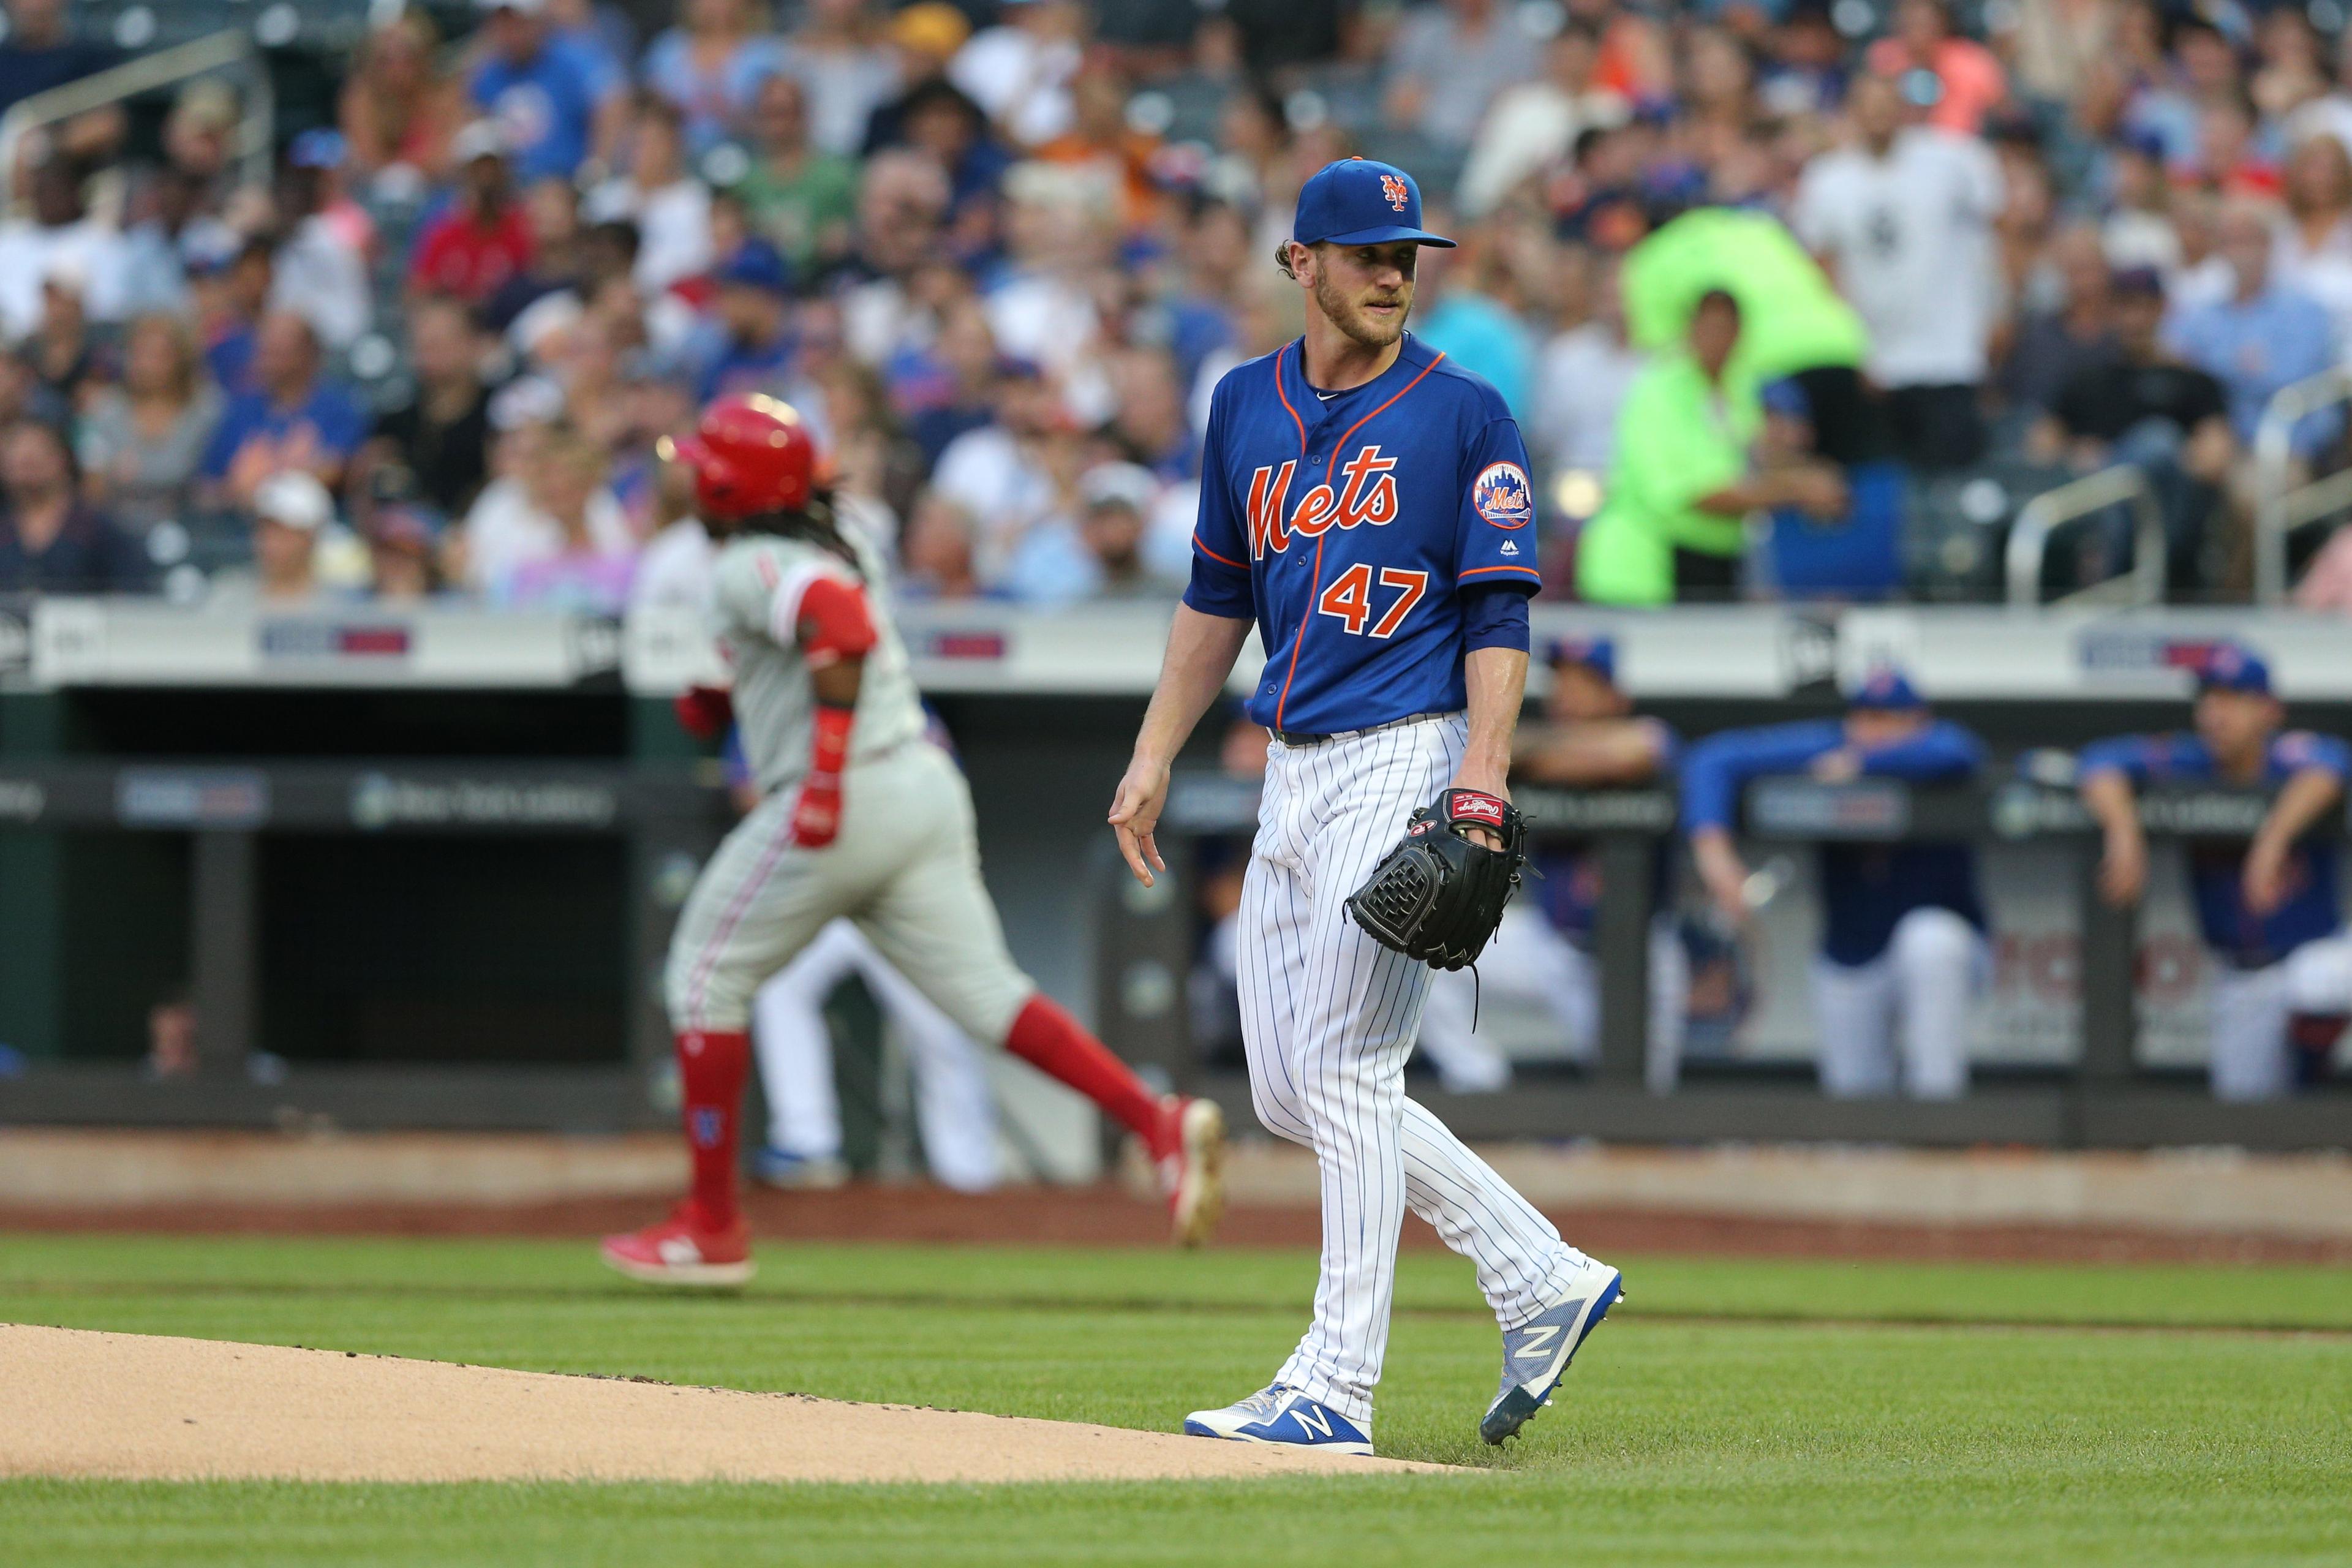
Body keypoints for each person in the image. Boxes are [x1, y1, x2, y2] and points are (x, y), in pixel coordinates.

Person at [1109, 159, 1622, 1459]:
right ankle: (1537, 1272)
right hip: (1292, 759)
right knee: (1293, 1088)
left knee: (1346, 1071)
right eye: (1369, 252)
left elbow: (1501, 610)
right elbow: (1216, 593)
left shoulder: (1463, 412)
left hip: (1412, 745)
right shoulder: (1243, 404)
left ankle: (1336, 1381)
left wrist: (1487, 769)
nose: (1395, 272)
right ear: (1303, 264)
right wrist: (1156, 747)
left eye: (1409, 253)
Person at [599, 392, 1226, 1286]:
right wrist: (720, 701)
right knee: (986, 996)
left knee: (703, 977)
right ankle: (1154, 1120)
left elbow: (841, 630)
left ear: (734, 487)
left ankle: (710, 1224)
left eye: (705, 468)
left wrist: (817, 780)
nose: (692, 478)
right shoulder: (828, 543)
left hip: (848, 790)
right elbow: (815, 640)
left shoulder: (752, 562)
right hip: (921, 783)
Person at [1681, 669, 1988, 1099]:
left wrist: (1865, 763)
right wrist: (1714, 851)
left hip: (1946, 948)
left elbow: (1960, 750)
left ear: (1918, 719)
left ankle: (1939, 1117)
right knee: (1854, 1108)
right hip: (1852, 952)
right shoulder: (1832, 747)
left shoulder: (1934, 749)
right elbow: (1711, 758)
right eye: (1865, 717)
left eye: (1890, 718)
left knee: (1929, 941)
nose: (1873, 730)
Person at [2077, 645, 2352, 1101]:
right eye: (2209, 699)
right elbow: (2099, 761)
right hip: (2241, 974)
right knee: (2241, 1113)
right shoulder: (2190, 759)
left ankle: (2314, 1083)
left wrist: (2271, 840)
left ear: (2268, 710)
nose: (2216, 713)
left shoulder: (2291, 756)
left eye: (2234, 699)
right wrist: (2124, 830)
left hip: (2316, 950)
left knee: (2319, 983)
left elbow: (2332, 767)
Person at [1419, 639, 1687, 1094]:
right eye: (1561, 680)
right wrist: (1520, 751)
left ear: (1615, 697)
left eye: (1582, 683)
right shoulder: (1523, 743)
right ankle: (1481, 1087)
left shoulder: (1651, 736)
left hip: (1637, 959)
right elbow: (1485, 751)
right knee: (1423, 949)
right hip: (1553, 946)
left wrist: (1525, 755)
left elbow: (1631, 752)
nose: (1567, 693)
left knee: (1640, 1102)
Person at [1576, 289, 1845, 605]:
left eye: (1727, 328)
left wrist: (1815, 478)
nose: (1717, 339)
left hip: (1715, 563)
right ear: (1690, 329)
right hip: (1644, 571)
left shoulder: (1739, 387)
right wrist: (1797, 489)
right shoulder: (1658, 391)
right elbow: (1697, 493)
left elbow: (1754, 457)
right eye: (1709, 327)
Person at [1792, 70, 2005, 470]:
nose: (1878, 116)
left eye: (1886, 105)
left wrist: (1998, 313)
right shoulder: (1828, 180)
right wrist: (1853, 348)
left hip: (1949, 356)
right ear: (1851, 112)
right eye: (1867, 107)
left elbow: (1998, 235)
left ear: (1904, 108)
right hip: (1876, 364)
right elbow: (1822, 270)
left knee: (1952, 484)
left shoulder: (1954, 162)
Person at [750, 918, 1002, 1194]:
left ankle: (968, 1175)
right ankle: (805, 1144)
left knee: (940, 1033)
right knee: (781, 984)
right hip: (838, 905)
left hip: (902, 909)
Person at [2037, 267, 2233, 591]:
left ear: (2161, 310)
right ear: (2112, 311)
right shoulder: (2088, 379)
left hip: (2168, 511)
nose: (2135, 319)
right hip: (2096, 502)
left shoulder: (2190, 380)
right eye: (2126, 307)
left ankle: (2127, 564)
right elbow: (2041, 447)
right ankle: (2112, 560)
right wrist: (2077, 455)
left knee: (2156, 444)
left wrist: (2166, 461)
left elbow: (2217, 454)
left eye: (2145, 307)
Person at [198, 312, 371, 506]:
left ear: (307, 354)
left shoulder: (339, 408)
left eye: (278, 351)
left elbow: (334, 473)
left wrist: (258, 478)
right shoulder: (241, 410)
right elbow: (208, 484)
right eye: (264, 350)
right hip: (241, 527)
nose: (267, 360)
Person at [75, 314, 222, 536]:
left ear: (181, 359)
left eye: (159, 356)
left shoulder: (207, 410)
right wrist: (111, 477)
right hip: (117, 533)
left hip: (191, 529)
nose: (147, 365)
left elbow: (214, 484)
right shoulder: (104, 410)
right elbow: (91, 491)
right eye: (139, 355)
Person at [468, 0, 623, 186]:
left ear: (537, 21)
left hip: (566, 183)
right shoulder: (488, 73)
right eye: (502, 23)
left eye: (517, 23)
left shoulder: (570, 60)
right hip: (510, 190)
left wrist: (597, 166)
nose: (510, 32)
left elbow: (613, 104)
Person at [0, 418, 145, 593]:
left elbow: (130, 593)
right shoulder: (5, 529)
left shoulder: (97, 530)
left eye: (35, 461)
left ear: (62, 459)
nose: (28, 472)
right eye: (19, 464)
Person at [408, 123, 537, 305]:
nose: (487, 179)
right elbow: (420, 290)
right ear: (464, 174)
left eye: (493, 169)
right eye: (479, 170)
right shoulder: (443, 231)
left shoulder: (524, 228)